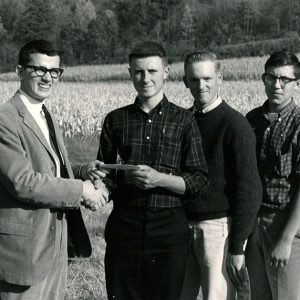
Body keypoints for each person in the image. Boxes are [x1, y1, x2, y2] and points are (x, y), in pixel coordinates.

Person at [85, 41, 209, 300]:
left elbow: (198, 180)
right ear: (129, 72)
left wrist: (159, 179)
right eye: (139, 71)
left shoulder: (184, 120)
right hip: (125, 225)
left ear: (166, 72)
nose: (145, 78)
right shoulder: (115, 119)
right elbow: (107, 176)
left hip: (169, 228)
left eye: (152, 71)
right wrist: (96, 182)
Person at [0, 39, 109, 300]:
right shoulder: (5, 119)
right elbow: (22, 181)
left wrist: (82, 170)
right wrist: (81, 190)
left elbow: (49, 166)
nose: (47, 77)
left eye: (54, 71)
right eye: (38, 69)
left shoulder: (45, 114)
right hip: (25, 251)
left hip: (53, 248)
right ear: (19, 71)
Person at [180, 50, 262, 300]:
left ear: (220, 78)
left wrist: (237, 247)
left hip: (217, 230)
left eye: (207, 78)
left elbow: (249, 189)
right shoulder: (183, 121)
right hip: (182, 225)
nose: (200, 86)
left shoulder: (235, 125)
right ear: (185, 81)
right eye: (194, 80)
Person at [245, 51, 300, 300]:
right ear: (263, 79)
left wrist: (287, 239)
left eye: (284, 80)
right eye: (271, 78)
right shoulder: (252, 120)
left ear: (296, 84)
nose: (276, 85)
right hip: (252, 223)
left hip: (285, 224)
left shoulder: (299, 124)